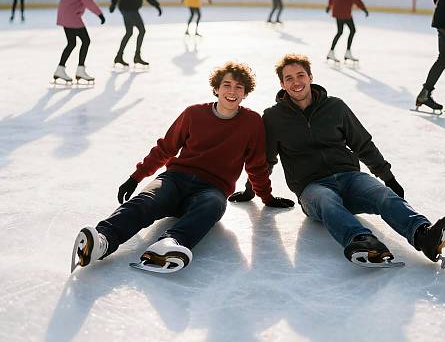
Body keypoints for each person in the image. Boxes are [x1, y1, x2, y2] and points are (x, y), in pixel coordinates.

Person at [230, 54, 445, 269]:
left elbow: (362, 143)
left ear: (310, 77)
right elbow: (265, 161)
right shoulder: (273, 117)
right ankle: (362, 241)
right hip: (312, 188)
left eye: (300, 75)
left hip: (350, 178)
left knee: (382, 194)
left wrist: (388, 177)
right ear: (282, 84)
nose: (296, 82)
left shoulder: (335, 107)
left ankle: (424, 235)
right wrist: (252, 191)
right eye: (289, 78)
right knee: (327, 200)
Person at [71, 61, 294, 274]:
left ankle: (169, 245)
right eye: (226, 84)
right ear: (216, 88)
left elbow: (256, 165)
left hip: (212, 189)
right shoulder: (193, 114)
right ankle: (102, 240)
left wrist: (266, 197)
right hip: (175, 180)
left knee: (214, 206)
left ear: (245, 93)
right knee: (146, 200)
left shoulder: (252, 122)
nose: (232, 91)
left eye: (239, 87)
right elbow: (166, 148)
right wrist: (136, 177)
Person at [53, 0, 105, 84]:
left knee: (72, 43)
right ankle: (80, 70)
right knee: (85, 41)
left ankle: (60, 69)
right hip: (71, 15)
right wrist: (99, 14)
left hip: (67, 13)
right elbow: (86, 0)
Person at [326, 0, 368, 64]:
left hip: (339, 9)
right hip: (344, 10)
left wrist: (330, 5)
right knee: (351, 30)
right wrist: (364, 8)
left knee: (341, 31)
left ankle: (333, 52)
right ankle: (345, 52)